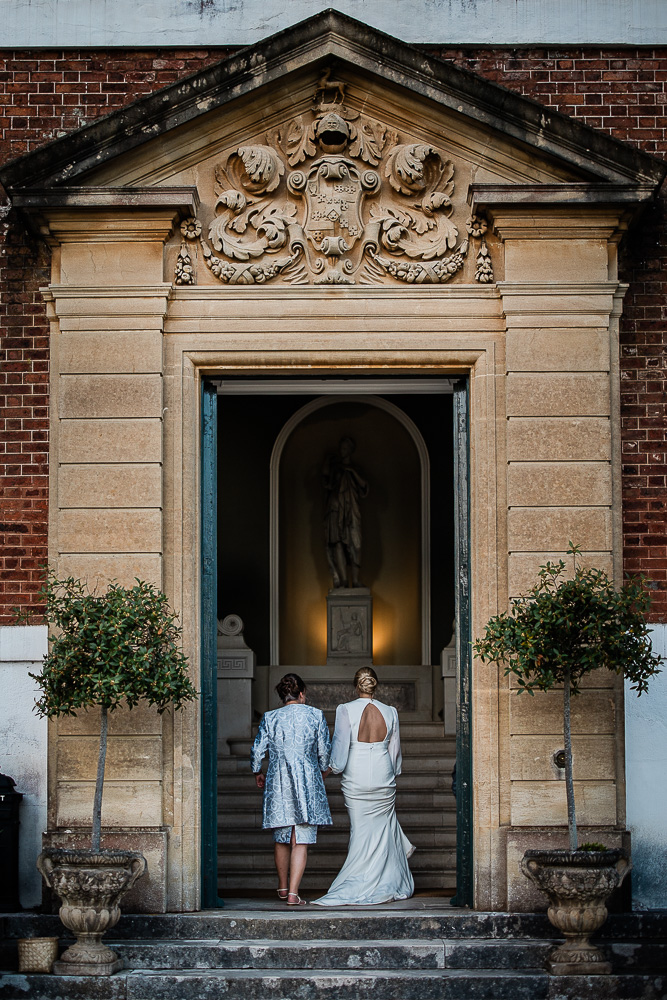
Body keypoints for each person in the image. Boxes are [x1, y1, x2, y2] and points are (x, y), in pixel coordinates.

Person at [313, 666, 414, 906]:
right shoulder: (391, 711)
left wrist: (332, 768)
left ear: (356, 685)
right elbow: (394, 750)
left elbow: (340, 746)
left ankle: (359, 881)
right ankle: (385, 880)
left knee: (360, 831)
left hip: (356, 774)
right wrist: (392, 772)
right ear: (374, 685)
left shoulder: (345, 709)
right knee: (382, 829)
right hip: (382, 773)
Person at [251, 672, 332, 905]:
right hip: (306, 777)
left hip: (278, 778)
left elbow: (258, 749)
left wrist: (258, 771)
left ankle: (283, 887)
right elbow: (324, 751)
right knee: (302, 836)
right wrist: (323, 770)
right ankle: (294, 894)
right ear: (302, 693)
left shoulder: (270, 717)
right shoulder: (315, 715)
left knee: (282, 834)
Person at [323, 436, 369, 588]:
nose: (341, 451)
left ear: (350, 450)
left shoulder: (356, 469)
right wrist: (327, 465)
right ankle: (343, 580)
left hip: (352, 510)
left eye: (344, 448)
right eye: (340, 448)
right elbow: (327, 486)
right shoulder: (335, 469)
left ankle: (355, 580)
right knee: (338, 544)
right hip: (336, 510)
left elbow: (364, 486)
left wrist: (351, 471)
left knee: (356, 544)